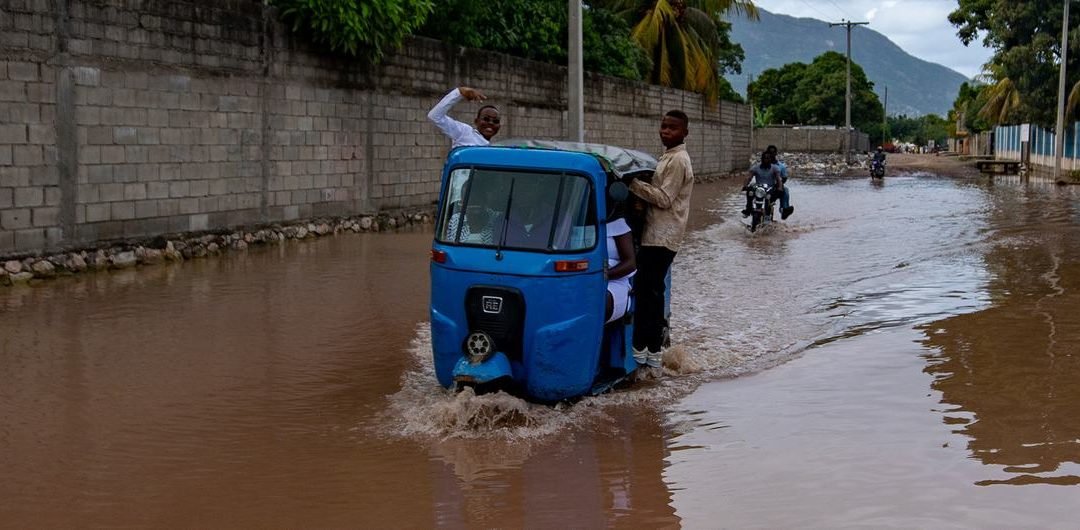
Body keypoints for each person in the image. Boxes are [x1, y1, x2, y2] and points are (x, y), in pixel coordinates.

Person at [627, 110, 694, 369]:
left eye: (672, 128)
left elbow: (665, 199)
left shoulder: (678, 160)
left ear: (684, 133)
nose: (666, 131)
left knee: (649, 292)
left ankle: (648, 350)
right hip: (656, 234)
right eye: (664, 127)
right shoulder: (668, 157)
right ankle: (650, 350)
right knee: (650, 291)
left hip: (663, 235)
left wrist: (633, 185)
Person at [428, 86, 501, 147]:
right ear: (476, 121)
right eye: (486, 119)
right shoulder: (465, 132)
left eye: (496, 121)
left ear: (499, 126)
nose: (491, 123)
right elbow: (435, 116)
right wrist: (459, 92)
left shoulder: (492, 148)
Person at [605, 212, 636, 324]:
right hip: (580, 280)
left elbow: (630, 264)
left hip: (615, 282)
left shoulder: (617, 223)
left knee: (598, 300)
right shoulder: (569, 220)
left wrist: (603, 275)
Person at [741, 150, 784, 218]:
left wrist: (780, 188)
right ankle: (748, 210)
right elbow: (749, 177)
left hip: (770, 188)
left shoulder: (775, 168)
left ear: (770, 159)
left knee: (769, 198)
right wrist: (745, 186)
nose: (766, 160)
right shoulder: (756, 167)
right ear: (762, 159)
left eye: (768, 158)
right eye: (765, 158)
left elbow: (779, 179)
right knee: (750, 192)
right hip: (759, 188)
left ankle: (767, 215)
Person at [766, 145, 794, 219]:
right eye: (770, 153)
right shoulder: (763, 165)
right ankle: (749, 210)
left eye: (773, 153)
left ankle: (784, 210)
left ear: (776, 153)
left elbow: (784, 178)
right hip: (764, 187)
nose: (771, 154)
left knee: (785, 190)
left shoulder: (781, 166)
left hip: (776, 187)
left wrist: (778, 186)